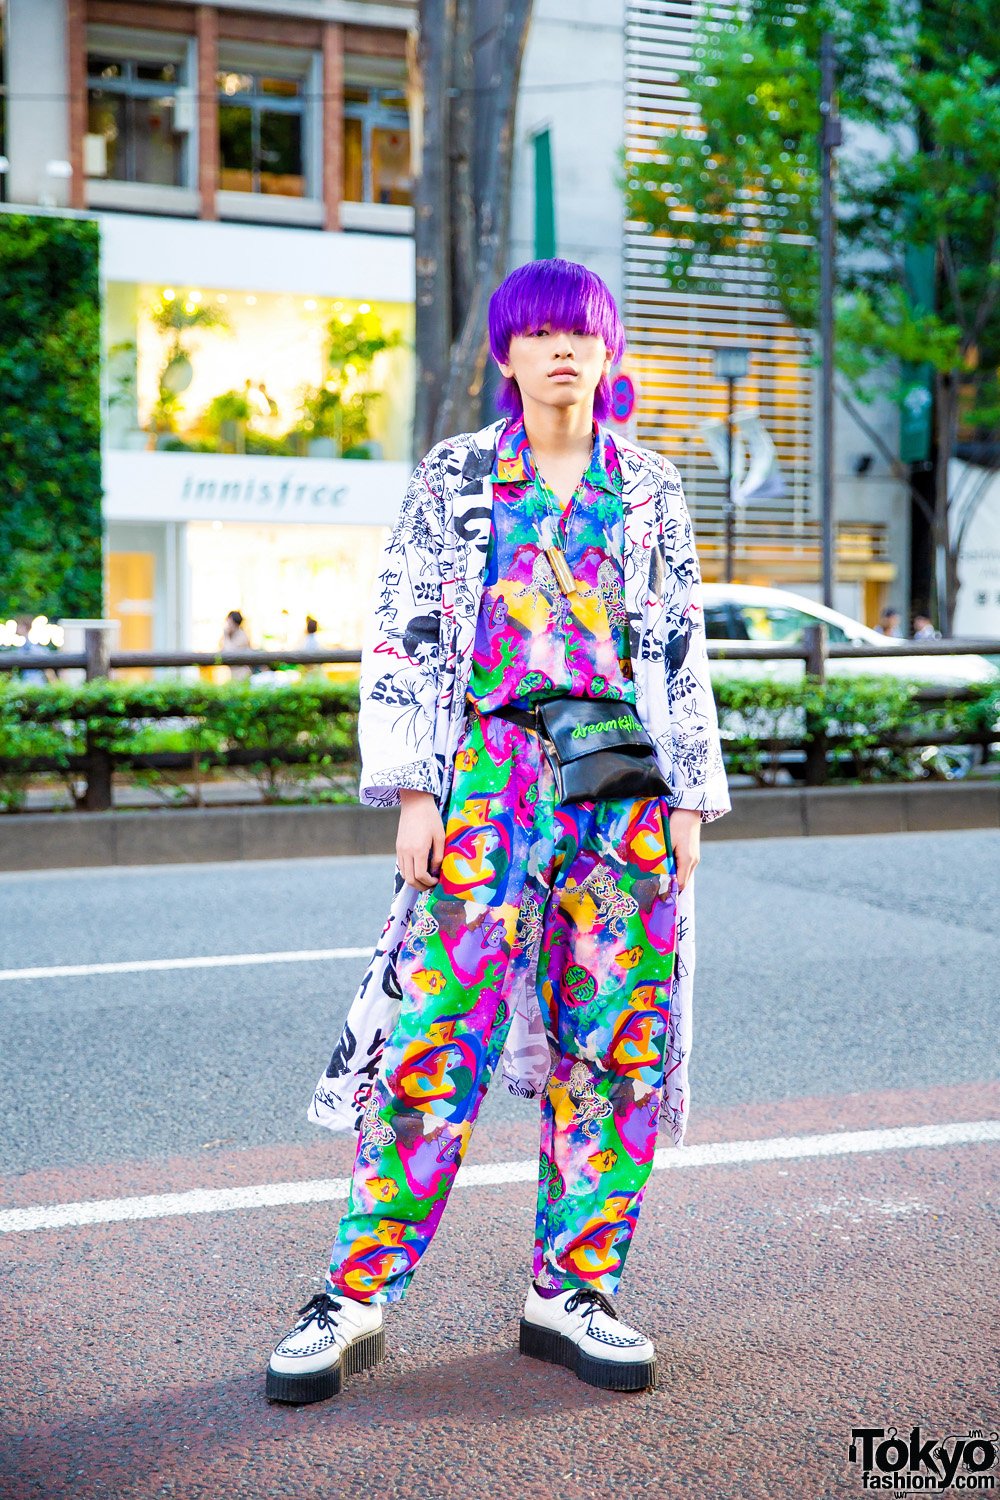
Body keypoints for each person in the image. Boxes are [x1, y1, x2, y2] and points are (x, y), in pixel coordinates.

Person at [266, 258, 731, 1405]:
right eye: (541, 334)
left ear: (609, 353)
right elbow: (406, 629)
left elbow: (679, 645)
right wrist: (415, 790)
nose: (563, 351)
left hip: (618, 783)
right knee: (434, 1030)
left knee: (615, 1045)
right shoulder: (456, 475)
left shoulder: (652, 489)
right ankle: (354, 1292)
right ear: (507, 353)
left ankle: (570, 1289)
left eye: (584, 333)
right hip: (482, 775)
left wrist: (687, 800)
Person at [220, 609, 252, 681]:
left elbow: (229, 652)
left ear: (234, 623)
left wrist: (226, 636)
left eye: (229, 621)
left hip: (242, 675)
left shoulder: (242, 636)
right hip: (233, 675)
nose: (227, 624)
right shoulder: (231, 635)